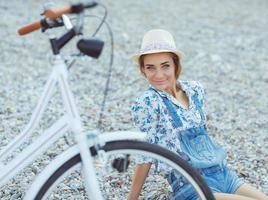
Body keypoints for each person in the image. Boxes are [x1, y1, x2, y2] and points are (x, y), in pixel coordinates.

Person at [127, 29, 268, 200]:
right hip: (190, 185)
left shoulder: (195, 90)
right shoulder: (148, 102)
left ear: (175, 65)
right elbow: (145, 155)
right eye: (151, 68)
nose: (159, 75)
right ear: (143, 70)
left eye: (165, 66)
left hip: (224, 174)